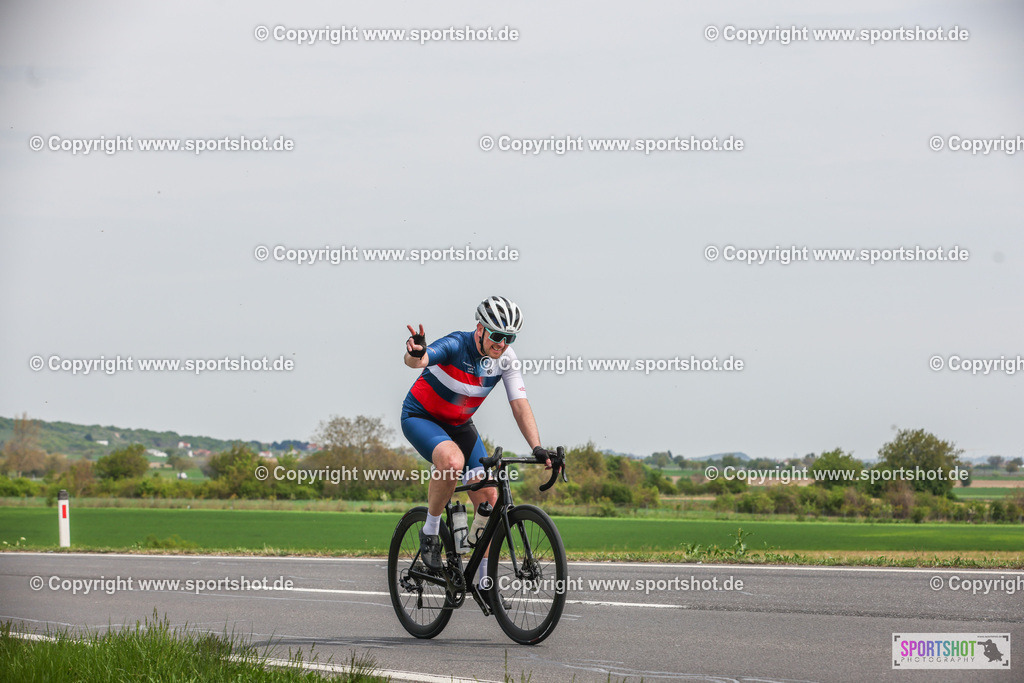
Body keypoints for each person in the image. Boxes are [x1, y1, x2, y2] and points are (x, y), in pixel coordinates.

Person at [401, 296, 553, 607]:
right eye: (497, 336)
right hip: (421, 417)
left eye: (509, 338)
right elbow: (421, 360)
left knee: (489, 499)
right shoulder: (457, 344)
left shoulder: (507, 359)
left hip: (460, 424)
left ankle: (484, 581)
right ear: (480, 329)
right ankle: (430, 534)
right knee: (451, 461)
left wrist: (536, 446)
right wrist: (414, 353)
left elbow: (520, 405)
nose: (502, 344)